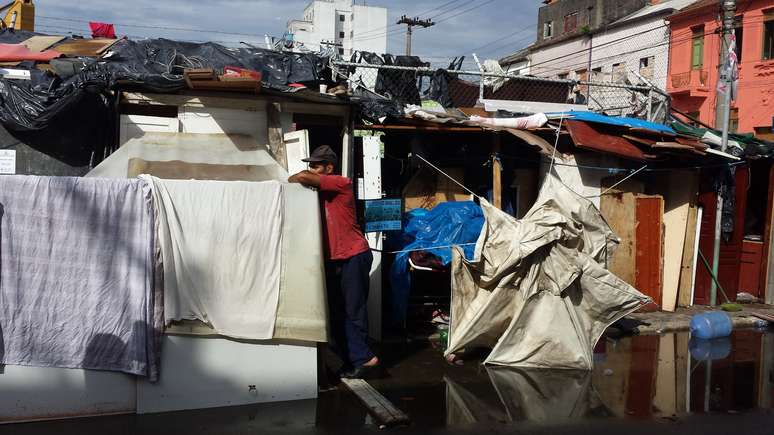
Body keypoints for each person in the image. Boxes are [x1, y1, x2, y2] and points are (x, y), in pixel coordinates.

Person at [288, 145, 379, 379]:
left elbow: (300, 177)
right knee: (336, 312)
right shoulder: (316, 190)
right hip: (334, 258)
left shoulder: (341, 183)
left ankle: (365, 359)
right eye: (311, 164)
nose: (312, 169)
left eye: (317, 165)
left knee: (353, 310)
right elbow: (293, 179)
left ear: (330, 167)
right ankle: (354, 357)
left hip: (353, 255)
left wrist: (307, 176)